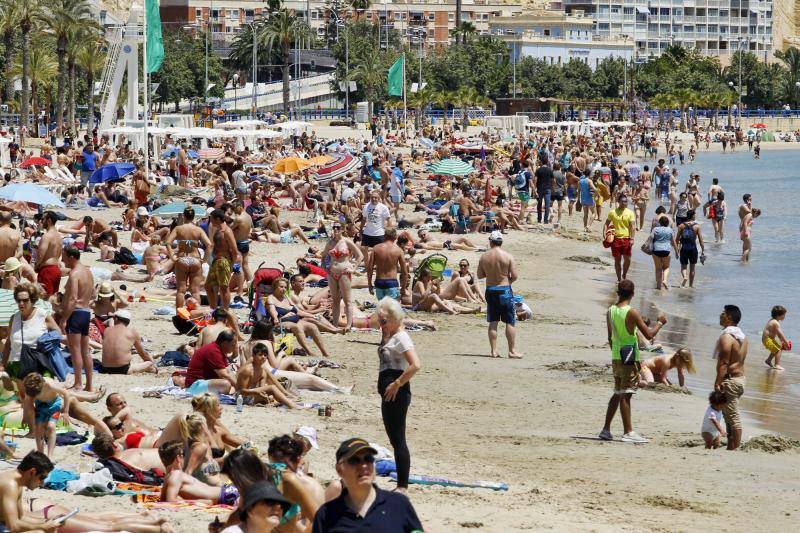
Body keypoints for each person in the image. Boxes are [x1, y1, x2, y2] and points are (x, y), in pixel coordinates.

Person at [599, 280, 666, 444]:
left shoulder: (611, 311)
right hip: (629, 356)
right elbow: (649, 335)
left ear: (618, 292)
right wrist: (660, 323)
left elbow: (610, 337)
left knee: (618, 391)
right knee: (626, 393)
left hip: (616, 355)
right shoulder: (631, 312)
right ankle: (628, 432)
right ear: (632, 294)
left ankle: (606, 429)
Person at [312, 438, 423, 532]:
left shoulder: (398, 504)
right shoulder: (326, 514)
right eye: (354, 460)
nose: (364, 465)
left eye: (368, 459)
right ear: (339, 469)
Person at [376, 297, 421, 493]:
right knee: (394, 439)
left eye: (384, 321)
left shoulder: (401, 337)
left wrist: (397, 383)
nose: (381, 324)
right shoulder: (389, 334)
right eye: (380, 321)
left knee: (398, 439)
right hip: (388, 394)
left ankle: (402, 485)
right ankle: (402, 482)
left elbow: (415, 365)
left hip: (397, 394)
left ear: (395, 319)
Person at [2, 283, 60, 416]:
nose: (21, 303)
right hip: (17, 364)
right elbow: (9, 343)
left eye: (25, 300)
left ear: (32, 299)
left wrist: (46, 342)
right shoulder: (14, 318)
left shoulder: (42, 315)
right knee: (25, 399)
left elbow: (57, 333)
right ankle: (32, 424)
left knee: (45, 395)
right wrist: (3, 364)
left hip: (38, 362)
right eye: (19, 300)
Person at [23, 373, 109, 457]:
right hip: (48, 404)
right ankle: (91, 398)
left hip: (58, 404)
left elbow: (65, 394)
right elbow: (27, 403)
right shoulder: (32, 389)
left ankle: (91, 398)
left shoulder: (48, 385)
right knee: (40, 429)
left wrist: (65, 412)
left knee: (86, 417)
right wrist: (25, 417)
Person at [477, 231, 521, 359]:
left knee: (493, 321)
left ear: (491, 241)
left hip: (490, 289)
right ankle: (512, 351)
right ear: (501, 242)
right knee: (510, 321)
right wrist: (508, 282)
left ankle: (493, 351)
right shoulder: (508, 256)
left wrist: (491, 274)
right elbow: (515, 275)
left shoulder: (484, 256)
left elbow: (480, 275)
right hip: (505, 290)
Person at [713, 304, 748, 450]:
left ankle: (736, 448)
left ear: (729, 317)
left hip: (731, 380)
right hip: (740, 379)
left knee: (732, 416)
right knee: (728, 414)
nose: (720, 315)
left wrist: (718, 382)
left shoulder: (727, 337)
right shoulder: (742, 337)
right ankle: (731, 445)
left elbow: (724, 362)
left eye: (723, 313)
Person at [60, 246, 95, 391]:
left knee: (75, 351)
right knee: (85, 351)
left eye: (64, 257)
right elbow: (93, 294)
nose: (62, 260)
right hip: (86, 312)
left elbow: (73, 298)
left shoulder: (74, 274)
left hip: (76, 313)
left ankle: (78, 383)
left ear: (71, 257)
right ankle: (89, 385)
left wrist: (64, 318)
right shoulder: (88, 272)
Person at [0, 451, 62, 532]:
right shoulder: (10, 485)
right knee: (40, 532)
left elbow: (21, 516)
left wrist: (47, 522)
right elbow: (13, 526)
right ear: (32, 472)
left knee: (49, 528)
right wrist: (43, 527)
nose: (42, 483)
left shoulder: (18, 482)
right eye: (42, 477)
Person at [321, 222, 363, 331]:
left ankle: (348, 325)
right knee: (335, 300)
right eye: (334, 227)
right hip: (332, 273)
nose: (335, 229)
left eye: (338, 227)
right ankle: (335, 325)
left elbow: (360, 255)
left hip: (344, 272)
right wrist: (325, 268)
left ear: (342, 229)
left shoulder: (347, 241)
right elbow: (323, 256)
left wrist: (353, 269)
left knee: (347, 300)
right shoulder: (330, 243)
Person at [100, 309, 158, 375]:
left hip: (104, 368)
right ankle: (155, 371)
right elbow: (143, 354)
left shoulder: (107, 330)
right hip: (122, 369)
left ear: (116, 319)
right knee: (149, 363)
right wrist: (152, 364)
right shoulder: (132, 332)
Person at [185, 329, 238, 395]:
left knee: (237, 376)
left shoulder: (219, 350)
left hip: (205, 382)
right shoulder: (213, 350)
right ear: (225, 344)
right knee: (225, 384)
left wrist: (238, 384)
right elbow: (223, 374)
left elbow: (228, 371)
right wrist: (239, 388)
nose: (234, 347)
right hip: (194, 386)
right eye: (232, 345)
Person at [206, 209, 239, 309]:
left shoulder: (227, 231)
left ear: (217, 219)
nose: (210, 220)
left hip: (224, 261)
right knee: (208, 286)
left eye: (211, 218)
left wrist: (231, 264)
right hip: (216, 261)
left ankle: (225, 310)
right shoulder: (218, 230)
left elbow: (234, 250)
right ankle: (214, 309)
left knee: (224, 288)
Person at [367, 228, 408, 302]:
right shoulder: (398, 250)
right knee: (393, 310)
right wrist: (403, 287)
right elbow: (404, 271)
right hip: (392, 282)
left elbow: (370, 268)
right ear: (395, 237)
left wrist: (369, 284)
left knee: (382, 309)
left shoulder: (376, 248)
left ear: (384, 236)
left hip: (379, 282)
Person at [605, 194, 636, 283]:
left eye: (626, 201)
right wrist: (605, 235)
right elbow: (607, 223)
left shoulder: (630, 213)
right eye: (623, 201)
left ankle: (624, 274)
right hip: (616, 239)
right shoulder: (613, 212)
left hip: (627, 239)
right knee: (617, 260)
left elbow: (633, 226)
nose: (624, 203)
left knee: (628, 259)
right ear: (618, 202)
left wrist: (632, 238)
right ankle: (619, 278)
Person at [34, 211, 64, 299]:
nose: (41, 221)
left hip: (47, 271)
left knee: (43, 298)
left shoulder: (47, 236)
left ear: (49, 220)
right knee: (53, 299)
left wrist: (36, 265)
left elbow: (40, 255)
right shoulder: (59, 236)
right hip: (56, 269)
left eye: (43, 219)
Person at [676, 210, 705, 288]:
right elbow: (701, 240)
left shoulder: (681, 226)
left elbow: (677, 239)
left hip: (684, 249)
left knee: (683, 266)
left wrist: (677, 250)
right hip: (693, 249)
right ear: (692, 216)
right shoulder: (697, 226)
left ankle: (685, 277)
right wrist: (703, 250)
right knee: (692, 268)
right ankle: (691, 285)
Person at [649, 215, 678, 290]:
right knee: (666, 267)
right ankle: (665, 280)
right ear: (668, 223)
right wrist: (676, 251)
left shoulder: (655, 229)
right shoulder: (670, 230)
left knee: (658, 268)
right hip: (666, 251)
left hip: (656, 250)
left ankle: (658, 286)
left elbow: (651, 238)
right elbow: (673, 242)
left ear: (660, 222)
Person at [763, 305, 789, 371]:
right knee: (778, 350)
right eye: (784, 315)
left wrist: (782, 342)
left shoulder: (773, 321)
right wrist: (786, 342)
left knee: (776, 348)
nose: (785, 317)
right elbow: (780, 333)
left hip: (769, 339)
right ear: (778, 315)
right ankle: (777, 365)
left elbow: (778, 334)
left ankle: (768, 360)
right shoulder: (775, 323)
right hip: (767, 340)